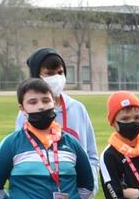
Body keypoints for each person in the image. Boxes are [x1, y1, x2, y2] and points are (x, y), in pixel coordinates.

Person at [13, 47, 98, 184]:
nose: (57, 78)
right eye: (50, 74)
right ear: (37, 76)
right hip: (41, 190)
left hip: (76, 192)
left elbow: (91, 154)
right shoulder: (26, 115)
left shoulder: (77, 109)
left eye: (60, 72)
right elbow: (20, 156)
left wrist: (89, 187)